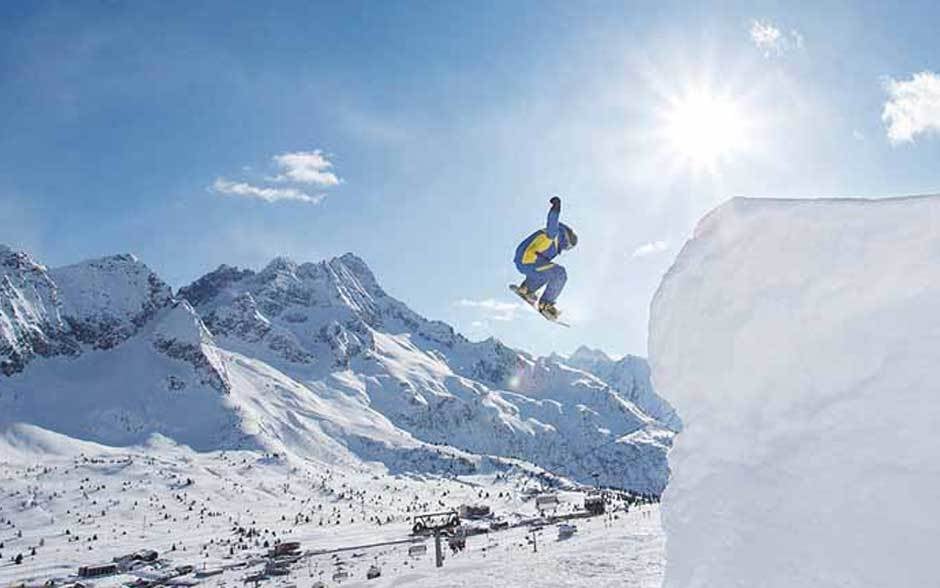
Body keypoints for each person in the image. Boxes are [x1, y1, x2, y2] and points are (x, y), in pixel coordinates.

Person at [512, 196, 578, 319]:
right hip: (528, 260)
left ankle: (527, 289)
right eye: (568, 247)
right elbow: (552, 223)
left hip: (527, 262)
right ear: (567, 239)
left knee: (547, 273)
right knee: (559, 273)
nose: (565, 249)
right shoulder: (554, 235)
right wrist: (556, 208)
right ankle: (545, 304)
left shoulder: (552, 245)